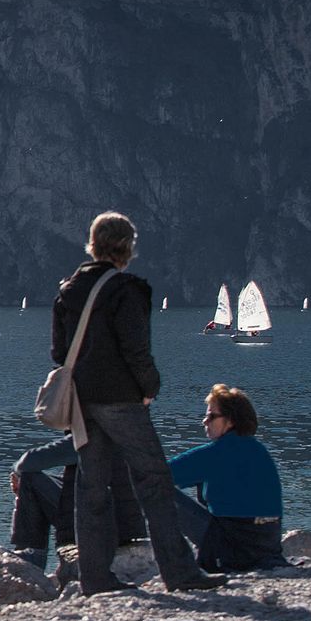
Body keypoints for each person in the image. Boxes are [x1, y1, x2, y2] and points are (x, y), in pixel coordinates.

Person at [52, 211, 225, 594]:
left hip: (82, 401)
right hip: (121, 399)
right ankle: (180, 572)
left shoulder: (68, 291)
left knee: (91, 488)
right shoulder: (127, 290)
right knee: (154, 481)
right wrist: (150, 387)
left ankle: (94, 578)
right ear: (127, 247)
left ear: (92, 244)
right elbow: (136, 349)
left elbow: (59, 353)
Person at [168, 384, 286, 572]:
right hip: (267, 548)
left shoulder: (218, 453)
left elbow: (160, 473)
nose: (204, 422)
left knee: (153, 486)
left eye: (211, 416)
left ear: (230, 421)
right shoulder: (258, 450)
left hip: (232, 549)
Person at [3, 435, 145, 572]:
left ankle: (33, 555)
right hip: (122, 524)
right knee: (32, 482)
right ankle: (30, 553)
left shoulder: (88, 437)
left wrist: (18, 476)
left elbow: (27, 463)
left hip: (97, 522)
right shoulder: (119, 433)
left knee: (28, 478)